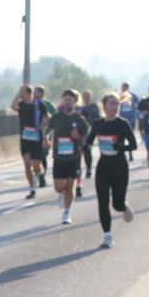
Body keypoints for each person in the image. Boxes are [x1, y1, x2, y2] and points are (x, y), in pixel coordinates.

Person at [84, 92, 137, 248]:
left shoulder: (122, 123)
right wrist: (85, 145)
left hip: (120, 166)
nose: (115, 106)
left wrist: (120, 146)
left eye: (117, 104)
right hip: (103, 167)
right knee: (102, 201)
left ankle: (123, 206)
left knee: (116, 204)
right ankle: (107, 236)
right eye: (112, 103)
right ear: (104, 106)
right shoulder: (98, 124)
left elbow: (133, 145)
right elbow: (89, 140)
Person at [43, 89, 90, 224]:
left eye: (70, 99)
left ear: (74, 102)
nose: (67, 102)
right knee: (59, 187)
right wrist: (45, 139)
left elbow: (87, 137)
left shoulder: (79, 119)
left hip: (74, 157)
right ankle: (62, 195)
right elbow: (47, 128)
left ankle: (66, 213)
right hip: (59, 157)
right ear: (62, 101)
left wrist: (79, 137)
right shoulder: (57, 117)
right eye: (65, 99)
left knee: (70, 185)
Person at [11, 84, 46, 198]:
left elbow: (47, 117)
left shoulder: (39, 104)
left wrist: (42, 125)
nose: (23, 96)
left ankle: (40, 174)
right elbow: (12, 106)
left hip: (36, 139)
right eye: (22, 94)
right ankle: (32, 188)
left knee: (36, 166)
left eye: (24, 93)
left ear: (30, 93)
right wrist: (18, 92)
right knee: (27, 165)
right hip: (25, 139)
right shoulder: (22, 105)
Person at [80, 89, 101, 180]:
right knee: (84, 150)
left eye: (88, 96)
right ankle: (82, 169)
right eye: (85, 96)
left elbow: (98, 117)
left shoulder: (94, 106)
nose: (86, 98)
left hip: (92, 130)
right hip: (82, 131)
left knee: (88, 148)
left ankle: (88, 169)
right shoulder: (80, 107)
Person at [34, 86, 55, 174]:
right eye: (34, 92)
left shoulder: (48, 104)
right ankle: (38, 171)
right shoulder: (31, 103)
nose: (35, 94)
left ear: (42, 94)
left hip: (45, 131)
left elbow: (55, 116)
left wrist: (46, 124)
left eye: (38, 92)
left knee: (43, 154)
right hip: (34, 132)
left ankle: (44, 171)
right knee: (34, 155)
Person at [119, 83, 139, 161]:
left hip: (131, 120)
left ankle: (130, 154)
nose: (123, 89)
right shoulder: (119, 96)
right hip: (121, 120)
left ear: (127, 88)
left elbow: (138, 106)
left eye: (124, 88)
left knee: (130, 137)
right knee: (121, 138)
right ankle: (123, 153)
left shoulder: (133, 96)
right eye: (122, 88)